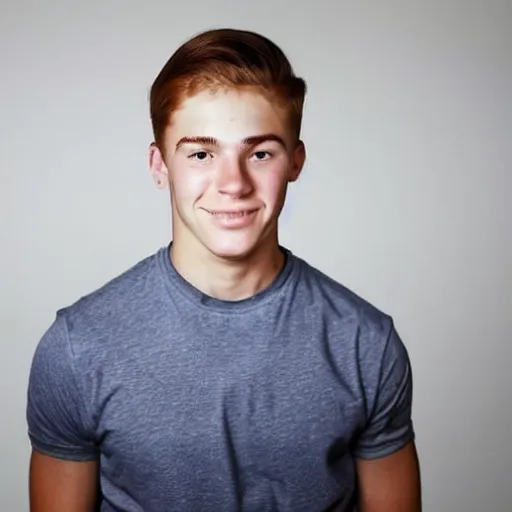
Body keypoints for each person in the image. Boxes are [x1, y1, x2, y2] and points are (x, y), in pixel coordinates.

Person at [26, 28, 421, 512]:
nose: (232, 183)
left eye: (260, 153)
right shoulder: (77, 348)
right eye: (200, 154)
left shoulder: (365, 344)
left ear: (295, 161)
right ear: (159, 166)